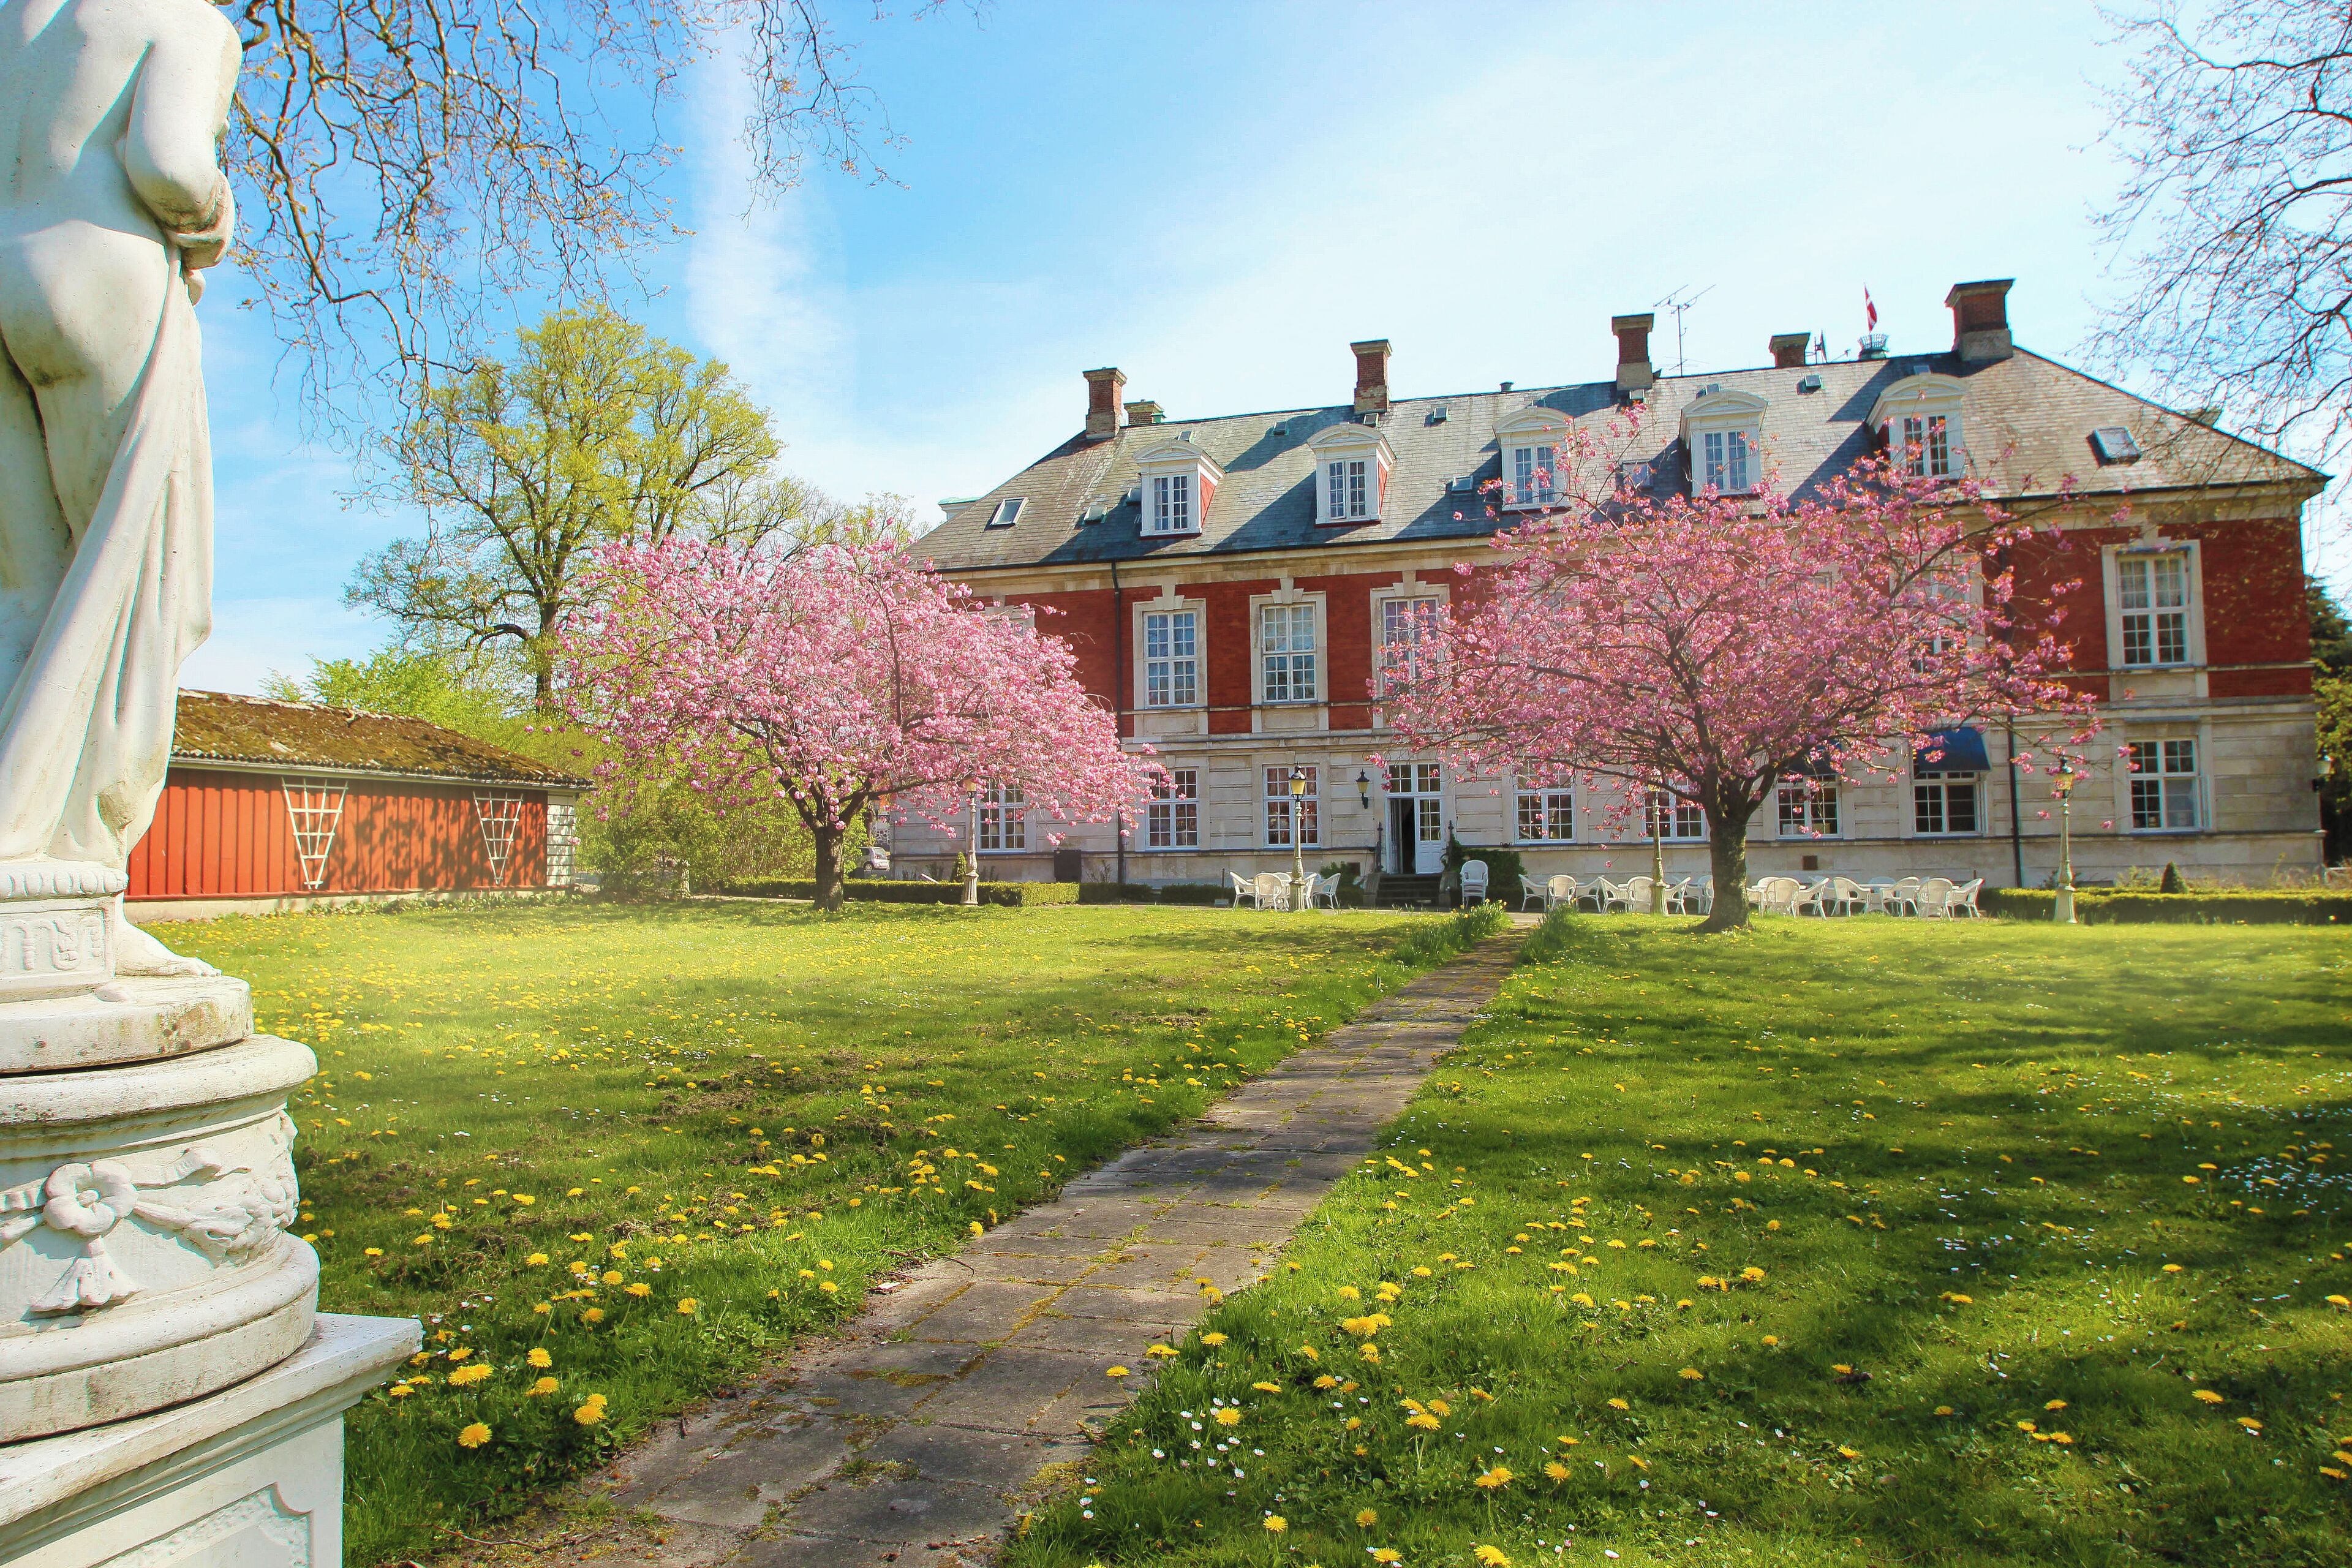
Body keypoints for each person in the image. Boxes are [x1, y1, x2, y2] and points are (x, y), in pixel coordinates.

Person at [0, 0, 240, 973]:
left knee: (29, 584)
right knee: (141, 587)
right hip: (103, 276)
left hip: (8, 273)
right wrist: (216, 219)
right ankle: (76, 875)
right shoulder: (183, 17)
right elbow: (169, 164)